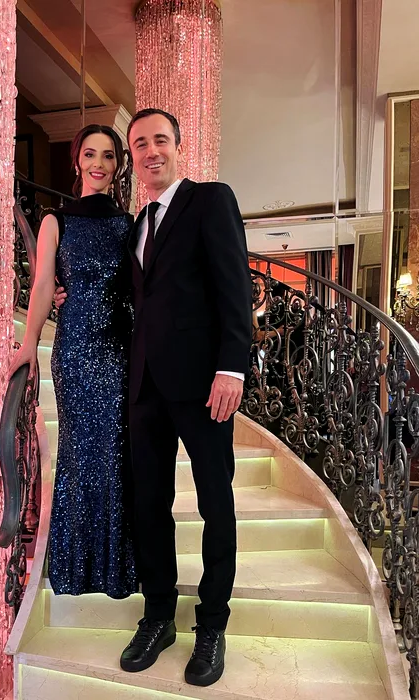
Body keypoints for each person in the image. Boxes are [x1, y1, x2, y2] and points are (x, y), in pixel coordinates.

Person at [55, 109, 252, 688]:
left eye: (159, 140)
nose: (149, 152)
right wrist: (71, 294)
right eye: (139, 144)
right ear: (132, 158)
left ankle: (211, 625)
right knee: (149, 506)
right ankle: (159, 615)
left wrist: (231, 368)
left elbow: (234, 286)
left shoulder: (210, 199)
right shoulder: (136, 222)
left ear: (177, 146)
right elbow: (126, 296)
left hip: (204, 385)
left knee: (216, 503)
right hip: (142, 387)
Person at [8, 124, 137, 599]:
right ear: (77, 161)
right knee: (79, 454)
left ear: (117, 165)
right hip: (76, 351)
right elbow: (43, 284)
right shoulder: (54, 221)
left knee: (116, 454)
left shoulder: (128, 225)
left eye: (108, 155)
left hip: (120, 350)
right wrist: (29, 342)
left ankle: (115, 566)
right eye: (90, 154)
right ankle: (76, 567)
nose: (99, 163)